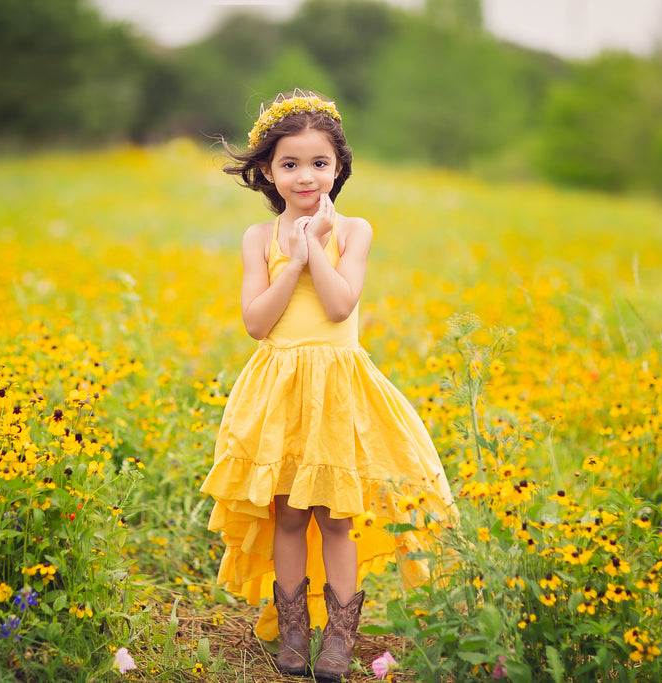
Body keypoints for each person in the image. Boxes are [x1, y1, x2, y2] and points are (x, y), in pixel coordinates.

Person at [200, 89, 455, 680]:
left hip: (338, 389)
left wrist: (313, 246)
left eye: (319, 163)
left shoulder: (354, 230)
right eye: (290, 164)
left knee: (336, 517)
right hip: (281, 386)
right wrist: (289, 261)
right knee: (288, 513)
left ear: (338, 167)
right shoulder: (258, 240)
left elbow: (341, 306)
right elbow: (256, 323)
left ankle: (340, 638)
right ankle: (294, 632)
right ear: (268, 171)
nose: (306, 176)